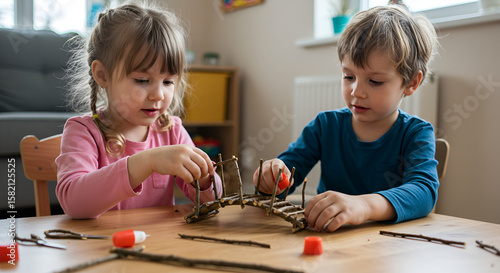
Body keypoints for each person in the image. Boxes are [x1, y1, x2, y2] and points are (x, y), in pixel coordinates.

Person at [253, 5, 439, 232]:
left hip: (389, 247)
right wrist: (271, 177)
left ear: (411, 82)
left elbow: (424, 192)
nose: (356, 92)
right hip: (328, 241)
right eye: (349, 76)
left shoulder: (416, 133)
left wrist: (363, 205)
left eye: (375, 81)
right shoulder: (325, 126)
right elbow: (286, 177)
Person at [56, 3, 222, 219]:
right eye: (142, 80)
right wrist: (148, 161)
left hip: (158, 246)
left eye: (168, 81)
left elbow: (214, 202)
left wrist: (204, 180)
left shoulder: (171, 131)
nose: (158, 95)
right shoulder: (83, 132)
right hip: (98, 247)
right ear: (102, 75)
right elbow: (75, 204)